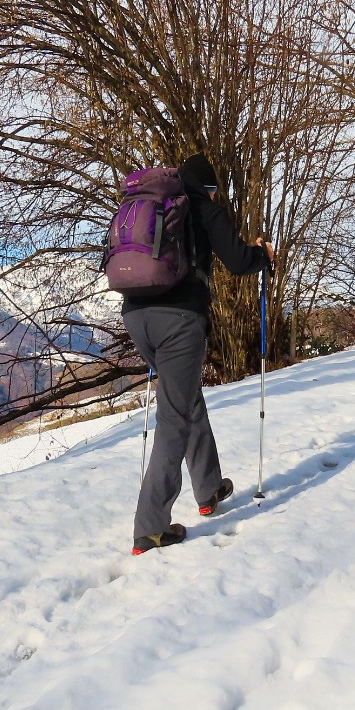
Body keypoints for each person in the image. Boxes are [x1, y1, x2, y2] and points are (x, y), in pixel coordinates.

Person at [123, 153, 273, 555]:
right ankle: (150, 529)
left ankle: (208, 488)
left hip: (136, 316)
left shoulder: (153, 204)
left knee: (186, 398)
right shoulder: (203, 207)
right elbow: (240, 261)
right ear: (207, 186)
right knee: (175, 417)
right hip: (178, 321)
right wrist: (263, 256)